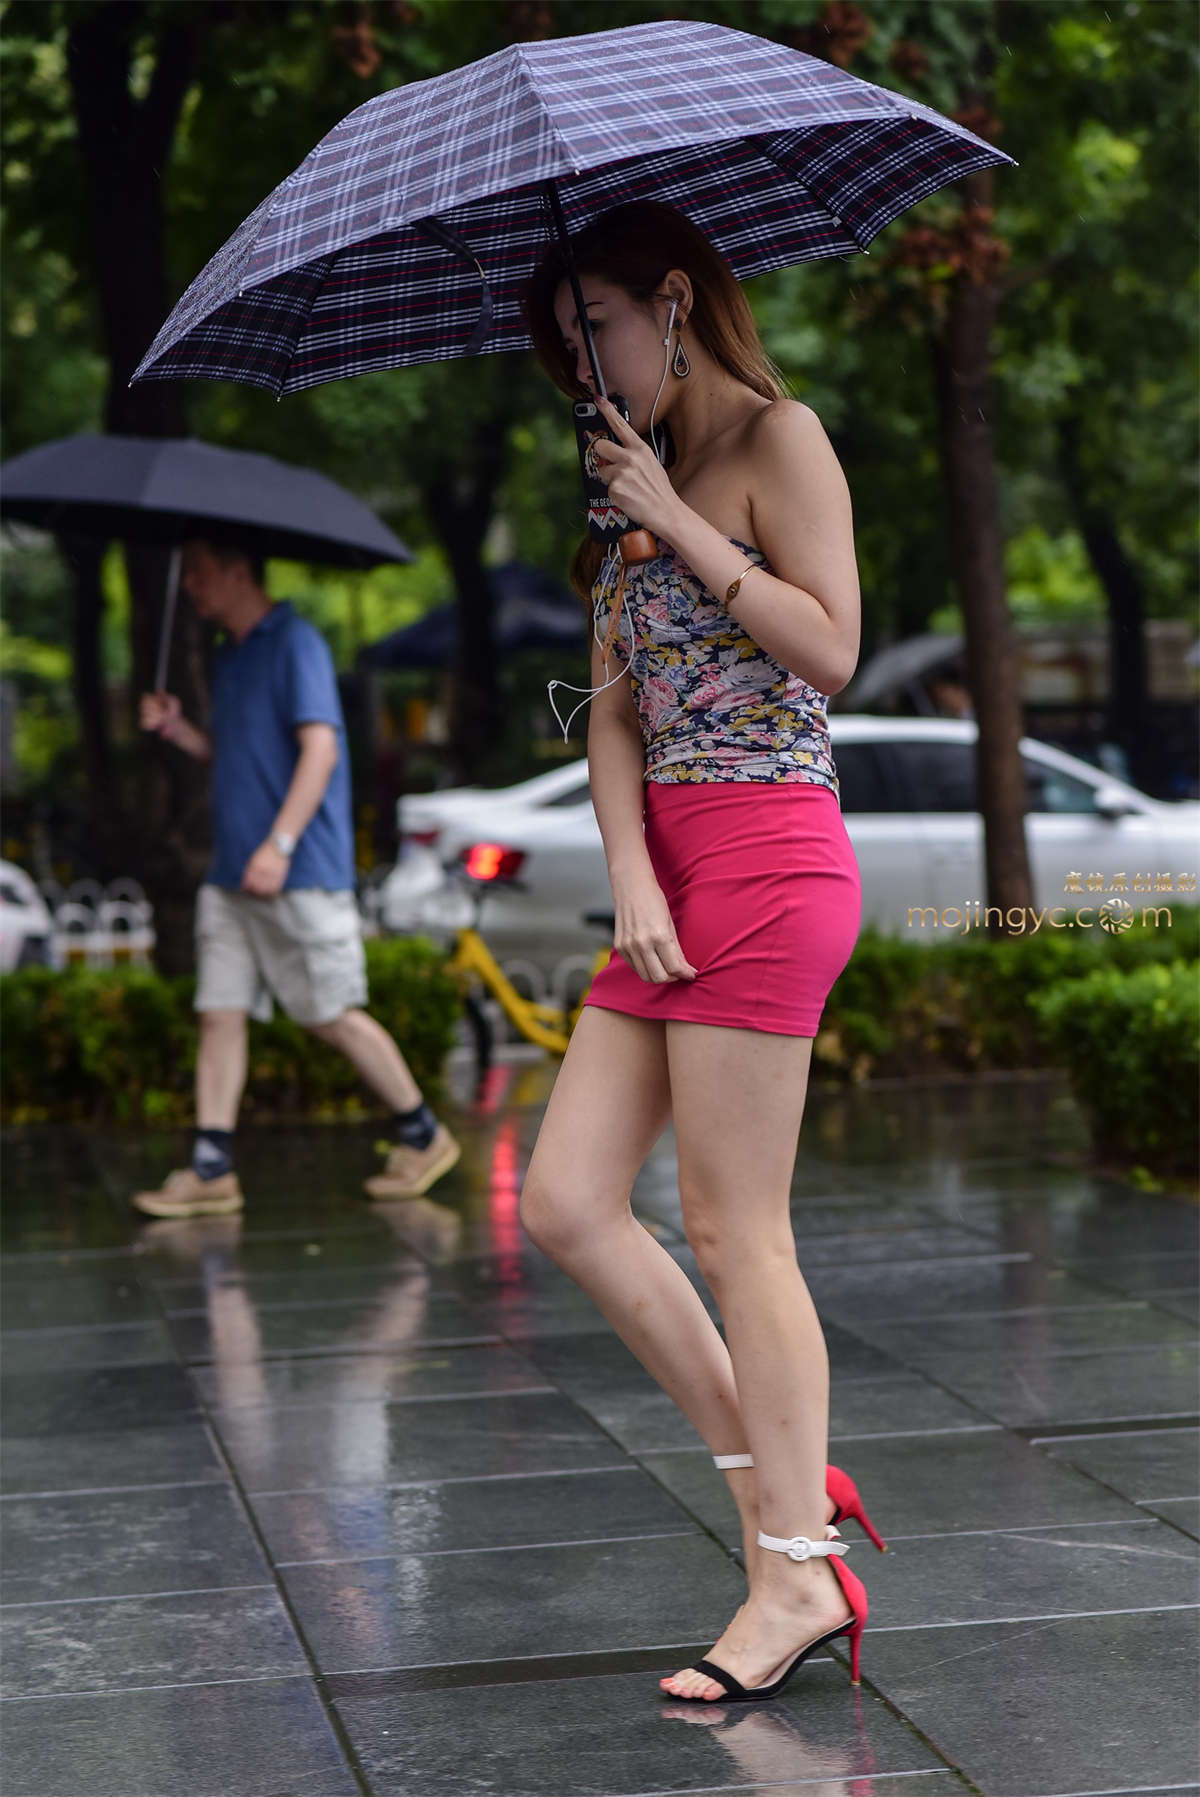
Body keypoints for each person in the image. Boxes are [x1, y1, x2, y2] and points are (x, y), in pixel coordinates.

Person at [518, 202, 875, 1705]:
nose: (578, 372)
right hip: (665, 867)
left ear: (671, 302)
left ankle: (790, 1564)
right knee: (566, 1202)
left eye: (591, 332)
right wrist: (624, 877)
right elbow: (609, 706)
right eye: (558, 351)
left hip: (772, 850)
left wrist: (674, 515)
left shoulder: (777, 442)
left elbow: (833, 648)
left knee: (737, 1232)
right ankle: (788, 1495)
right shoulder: (620, 478)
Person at [131, 536, 459, 1218]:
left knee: (330, 1013)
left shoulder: (296, 642)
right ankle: (211, 1166)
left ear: (237, 567)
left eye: (198, 571)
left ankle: (422, 1134)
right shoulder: (230, 654)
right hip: (232, 873)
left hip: (297, 871)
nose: (190, 586)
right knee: (219, 1013)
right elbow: (239, 754)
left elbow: (321, 749)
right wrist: (180, 732)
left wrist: (279, 844)